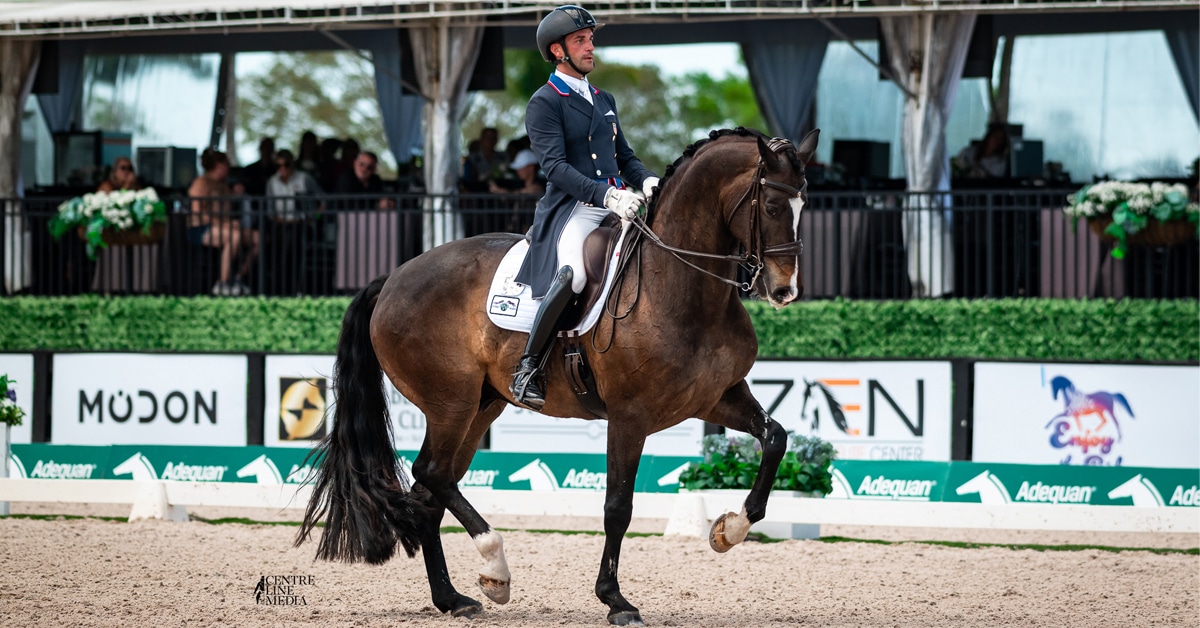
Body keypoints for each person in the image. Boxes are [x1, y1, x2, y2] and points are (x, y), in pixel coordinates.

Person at [509, 5, 660, 410]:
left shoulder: (603, 98)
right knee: (574, 274)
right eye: (581, 41)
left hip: (620, 204)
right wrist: (606, 195)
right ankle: (528, 367)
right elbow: (555, 167)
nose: (590, 47)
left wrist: (646, 179)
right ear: (558, 51)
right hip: (573, 209)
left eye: (590, 39)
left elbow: (623, 156)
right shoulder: (545, 101)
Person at [188, 149, 261, 296]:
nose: (229, 168)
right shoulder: (200, 183)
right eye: (227, 164)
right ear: (218, 165)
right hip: (201, 229)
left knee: (258, 238)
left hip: (226, 227)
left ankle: (238, 277)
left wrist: (236, 195)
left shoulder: (224, 185)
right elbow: (198, 213)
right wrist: (224, 224)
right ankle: (222, 283)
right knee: (234, 237)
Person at [462, 127, 507, 192]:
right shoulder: (472, 158)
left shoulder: (502, 157)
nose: (490, 141)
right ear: (481, 139)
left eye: (493, 138)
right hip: (477, 192)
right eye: (487, 138)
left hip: (498, 192)